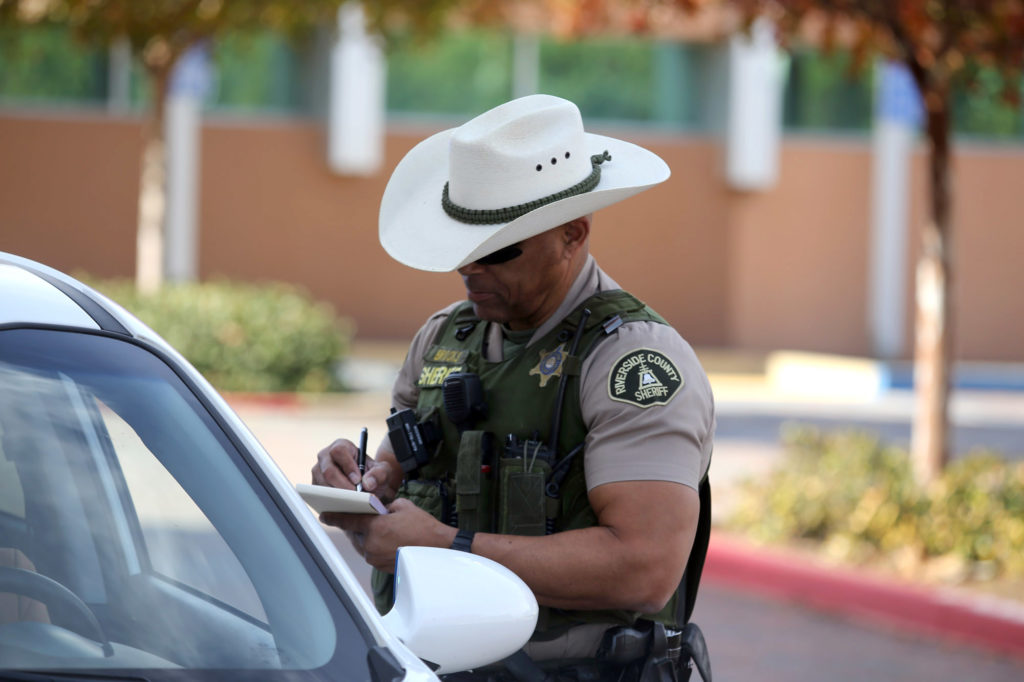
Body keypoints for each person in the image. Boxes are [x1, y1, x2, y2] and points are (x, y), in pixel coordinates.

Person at [312, 94, 714, 682]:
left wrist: (447, 547)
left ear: (572, 234)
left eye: (498, 249)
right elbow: (395, 481)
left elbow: (644, 569)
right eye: (463, 248)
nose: (471, 269)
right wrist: (359, 492)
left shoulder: (632, 361)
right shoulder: (442, 339)